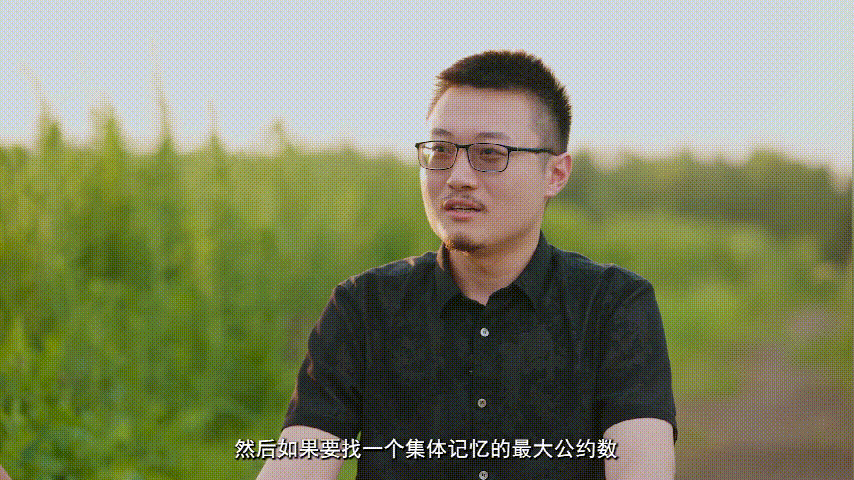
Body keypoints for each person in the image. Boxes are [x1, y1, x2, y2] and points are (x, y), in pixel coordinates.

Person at [257, 50, 676, 480]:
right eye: (441, 150)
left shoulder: (610, 306)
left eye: (490, 154)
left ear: (555, 174)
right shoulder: (364, 308)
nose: (457, 176)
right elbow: (300, 459)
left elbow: (642, 461)